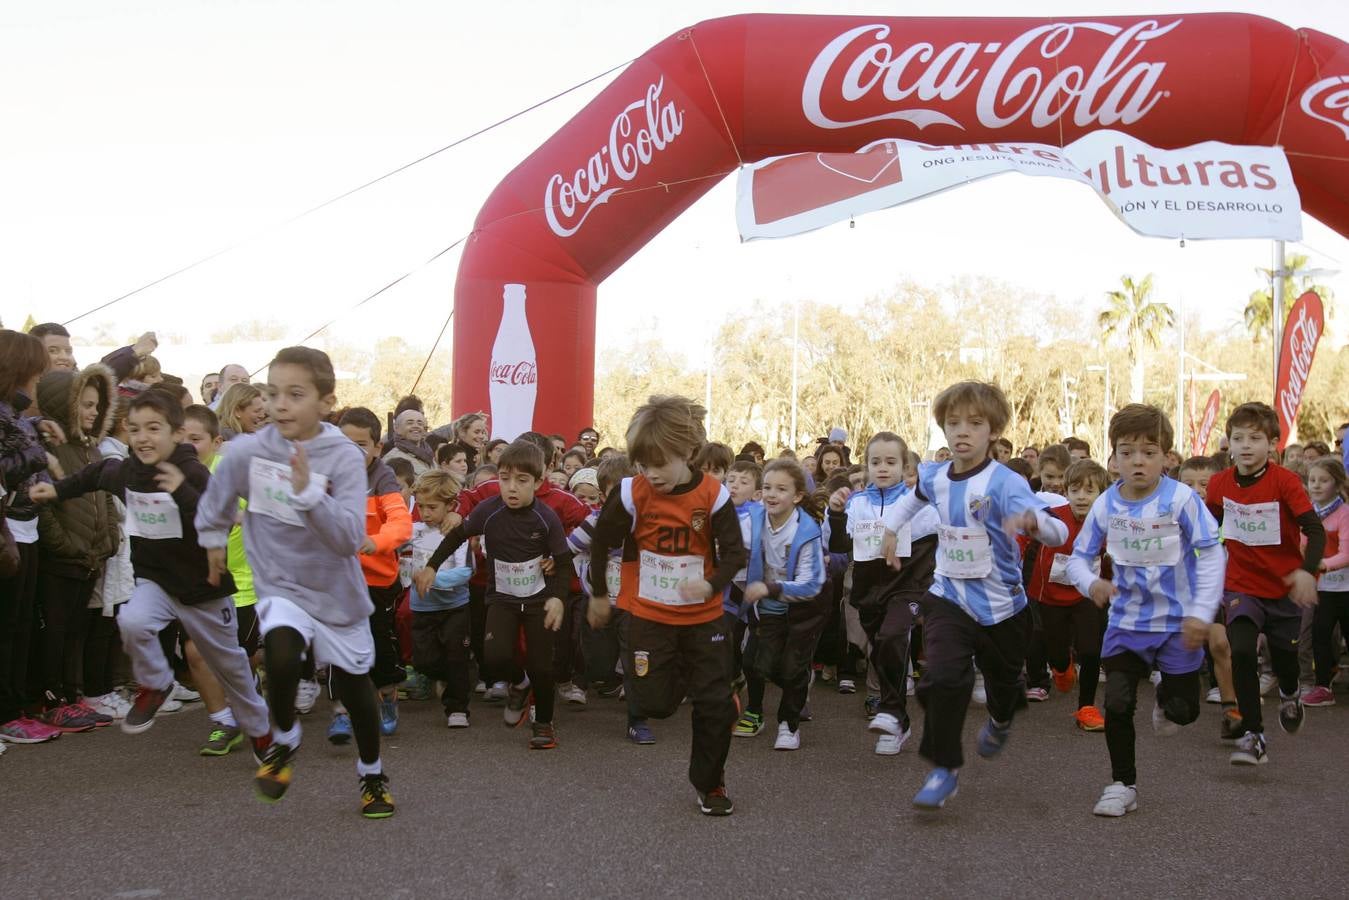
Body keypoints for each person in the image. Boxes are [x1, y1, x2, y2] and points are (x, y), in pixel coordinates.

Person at [195, 347, 395, 819]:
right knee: (280, 652)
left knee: (354, 688)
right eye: (272, 393)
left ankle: (372, 773)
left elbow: (349, 537)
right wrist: (212, 539)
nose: (279, 405)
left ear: (326, 403)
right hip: (280, 582)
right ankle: (284, 737)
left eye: (295, 394)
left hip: (335, 590)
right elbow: (217, 499)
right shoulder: (247, 450)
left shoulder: (343, 456)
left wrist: (309, 495)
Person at [29, 390, 272, 754]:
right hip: (155, 580)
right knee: (133, 621)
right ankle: (156, 684)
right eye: (136, 428)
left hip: (202, 586)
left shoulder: (192, 471)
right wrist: (56, 490)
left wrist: (182, 493)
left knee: (230, 664)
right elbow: (95, 475)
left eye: (154, 428)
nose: (143, 437)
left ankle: (260, 726)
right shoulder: (126, 471)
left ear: (176, 434)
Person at [879, 382, 1068, 811]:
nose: (962, 431)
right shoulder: (934, 476)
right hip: (950, 595)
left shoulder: (1006, 482)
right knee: (942, 678)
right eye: (953, 423)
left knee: (1003, 688)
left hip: (1003, 607)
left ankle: (1001, 719)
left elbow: (1058, 530)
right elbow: (913, 501)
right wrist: (891, 529)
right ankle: (943, 770)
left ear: (993, 431)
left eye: (975, 423)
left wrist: (1034, 524)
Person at [587, 396, 747, 816]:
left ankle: (710, 783)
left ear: (688, 453)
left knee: (712, 706)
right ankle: (698, 684)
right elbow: (601, 541)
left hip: (704, 618)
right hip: (648, 616)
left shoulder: (714, 497)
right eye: (642, 463)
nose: (650, 473)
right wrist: (601, 593)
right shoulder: (629, 494)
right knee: (653, 704)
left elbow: (734, 556)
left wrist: (710, 583)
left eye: (660, 463)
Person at [1064, 404, 1221, 818]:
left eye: (1149, 451)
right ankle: (1122, 784)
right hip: (1126, 622)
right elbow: (1078, 559)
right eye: (1127, 451)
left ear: (1166, 456)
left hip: (1177, 624)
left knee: (1184, 714)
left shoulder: (1182, 499)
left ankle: (1169, 698)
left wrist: (1202, 612)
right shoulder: (1104, 506)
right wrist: (1091, 582)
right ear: (1112, 457)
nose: (1137, 460)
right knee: (1115, 703)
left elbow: (1211, 554)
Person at [413, 440, 571, 750]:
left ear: (539, 482)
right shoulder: (490, 510)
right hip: (502, 598)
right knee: (494, 656)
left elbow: (563, 561)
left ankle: (544, 724)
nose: (511, 488)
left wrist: (558, 597)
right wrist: (432, 566)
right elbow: (458, 536)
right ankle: (519, 683)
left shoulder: (546, 517)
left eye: (522, 481)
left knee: (541, 665)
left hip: (539, 599)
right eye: (504, 479)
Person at [1205, 402, 1323, 766]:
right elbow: (1208, 526)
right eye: (1237, 438)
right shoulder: (1220, 484)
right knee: (1240, 649)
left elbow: (1314, 531)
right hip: (1242, 584)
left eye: (1254, 439)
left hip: (1284, 586)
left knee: (1285, 660)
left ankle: (1290, 693)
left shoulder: (1285, 482)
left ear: (1272, 443)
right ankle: (1253, 735)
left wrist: (1306, 570)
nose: (1244, 446)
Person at [827, 431, 938, 755]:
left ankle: (890, 712)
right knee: (879, 651)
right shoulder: (858, 503)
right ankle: (898, 718)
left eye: (891, 461)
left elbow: (942, 536)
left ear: (905, 466)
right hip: (868, 591)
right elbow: (838, 548)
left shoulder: (920, 503)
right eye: (876, 462)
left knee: (893, 636)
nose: (883, 468)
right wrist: (835, 514)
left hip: (908, 586)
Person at [33, 362, 119, 731]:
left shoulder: (93, 452)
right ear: (64, 406)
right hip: (64, 560)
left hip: (91, 558)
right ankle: (52, 697)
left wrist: (108, 541)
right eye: (85, 405)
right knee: (55, 631)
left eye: (97, 405)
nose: (93, 412)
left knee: (75, 632)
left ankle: (73, 694)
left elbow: (107, 500)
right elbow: (45, 507)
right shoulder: (50, 450)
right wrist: (66, 546)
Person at [333, 408, 413, 743]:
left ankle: (388, 696)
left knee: (380, 647)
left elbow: (400, 522)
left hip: (379, 580)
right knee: (338, 646)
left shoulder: (383, 477)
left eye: (361, 445)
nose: (352, 453)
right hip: (338, 580)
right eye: (344, 444)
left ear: (377, 448)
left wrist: (375, 542)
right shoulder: (326, 475)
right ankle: (340, 711)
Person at [736, 459, 827, 752]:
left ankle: (788, 725)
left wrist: (770, 587)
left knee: (791, 668)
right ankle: (798, 678)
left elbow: (812, 584)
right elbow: (728, 542)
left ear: (797, 496)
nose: (771, 495)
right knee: (755, 663)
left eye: (781, 489)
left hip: (804, 611)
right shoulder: (754, 520)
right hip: (768, 610)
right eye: (767, 488)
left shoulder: (807, 530)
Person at [0, 330, 64, 745]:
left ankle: (16, 708)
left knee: (20, 624)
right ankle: (7, 713)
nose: (38, 381)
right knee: (7, 626)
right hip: (9, 531)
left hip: (25, 528)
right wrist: (40, 453)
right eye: (36, 372)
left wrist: (37, 423)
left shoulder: (15, 413)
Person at [568, 454, 653, 743]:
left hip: (634, 605)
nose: (624, 500)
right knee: (600, 666)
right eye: (616, 492)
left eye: (629, 491)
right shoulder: (594, 521)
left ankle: (637, 719)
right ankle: (609, 680)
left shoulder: (647, 522)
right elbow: (567, 549)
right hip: (599, 604)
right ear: (603, 495)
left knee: (634, 663)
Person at [1022, 459, 1110, 732]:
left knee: (1091, 649)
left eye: (1089, 491)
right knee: (1057, 651)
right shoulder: (1053, 517)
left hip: (1087, 595)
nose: (1081, 497)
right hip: (1050, 596)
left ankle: (1087, 708)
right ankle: (1061, 668)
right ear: (1066, 492)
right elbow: (1022, 539)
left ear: (1101, 494)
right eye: (1075, 490)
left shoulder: (1107, 523)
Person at [407, 470, 475, 728]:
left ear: (450, 505)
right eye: (421, 506)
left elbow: (466, 571)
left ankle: (457, 707)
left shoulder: (458, 534)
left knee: (456, 654)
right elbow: (393, 544)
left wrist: (433, 579)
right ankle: (454, 677)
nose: (425, 513)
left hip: (455, 606)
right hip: (422, 607)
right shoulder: (416, 531)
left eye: (432, 507)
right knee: (423, 660)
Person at [1178, 456, 1240, 734]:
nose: (1197, 489)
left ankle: (1231, 709)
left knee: (1220, 644)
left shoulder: (1226, 517)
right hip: (1175, 596)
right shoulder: (1172, 516)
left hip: (1212, 593)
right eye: (1188, 483)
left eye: (1204, 483)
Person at [1304, 457, 1349, 707]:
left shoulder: (1344, 514)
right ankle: (1323, 685)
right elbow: (1302, 543)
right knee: (1320, 634)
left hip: (1346, 587)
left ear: (1337, 483)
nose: (1317, 485)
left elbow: (1346, 552)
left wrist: (1321, 564)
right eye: (1312, 480)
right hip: (1324, 588)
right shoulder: (1309, 513)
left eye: (1324, 480)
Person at [383, 409, 434, 477]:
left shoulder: (430, 456)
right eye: (410, 423)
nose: (416, 426)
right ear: (396, 428)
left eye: (420, 423)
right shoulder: (392, 459)